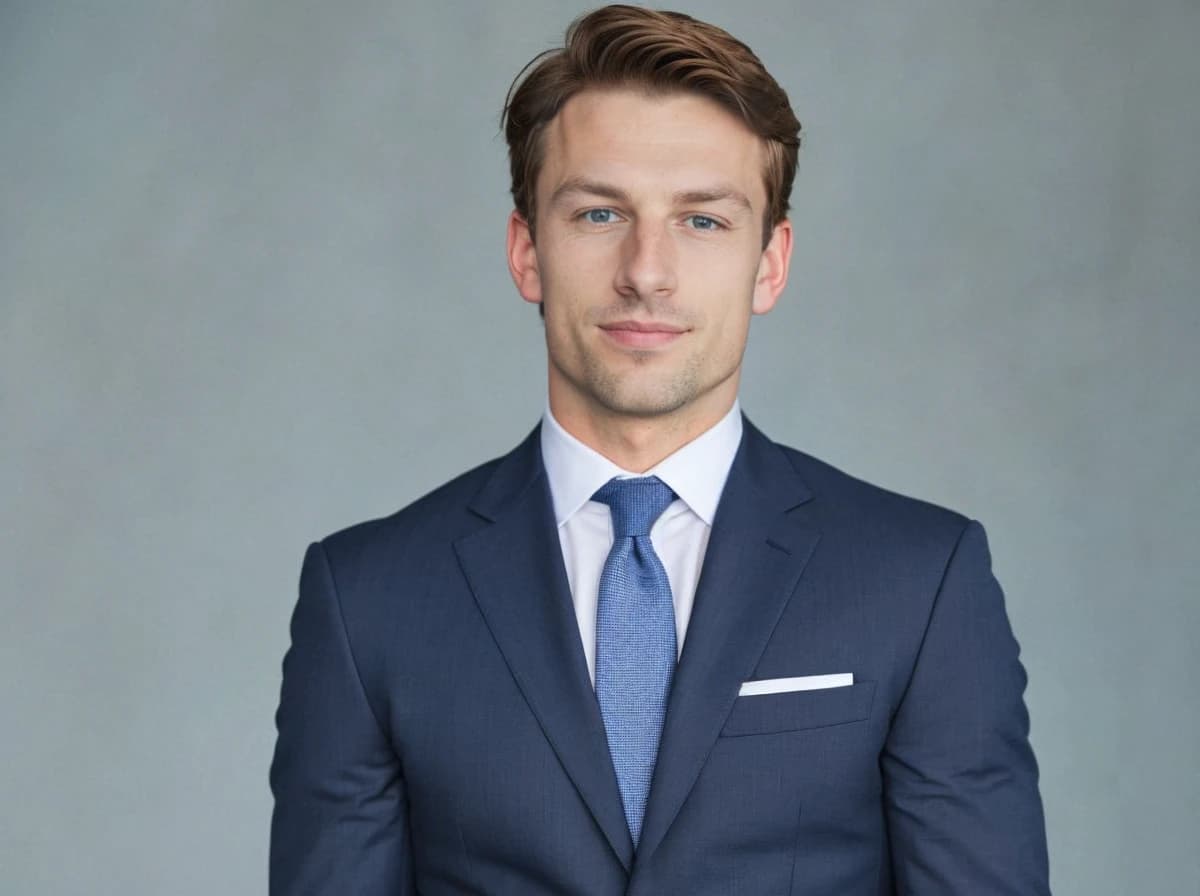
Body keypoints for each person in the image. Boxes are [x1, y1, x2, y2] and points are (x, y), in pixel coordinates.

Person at [268, 5, 1051, 893]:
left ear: (770, 263)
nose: (647, 270)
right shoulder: (365, 599)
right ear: (528, 251)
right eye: (600, 214)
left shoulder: (920, 582)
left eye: (703, 221)